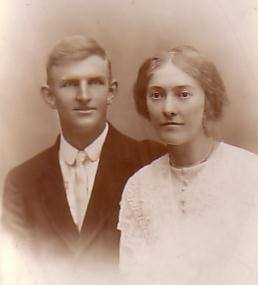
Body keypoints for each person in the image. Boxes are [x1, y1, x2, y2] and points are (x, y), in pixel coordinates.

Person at [1, 35, 164, 278]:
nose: (84, 95)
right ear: (49, 96)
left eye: (96, 82)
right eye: (69, 84)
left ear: (111, 91)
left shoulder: (149, 161)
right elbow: (17, 273)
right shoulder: (22, 181)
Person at [118, 46, 258, 284]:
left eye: (183, 94)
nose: (168, 109)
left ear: (208, 101)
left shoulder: (249, 175)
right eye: (156, 95)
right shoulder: (139, 188)